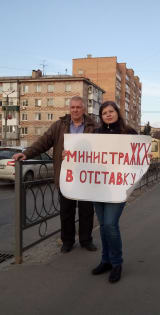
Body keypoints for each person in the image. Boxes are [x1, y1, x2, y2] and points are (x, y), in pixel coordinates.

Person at [12, 96, 97, 253]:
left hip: (86, 176)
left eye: (78, 107)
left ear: (83, 109)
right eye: (73, 107)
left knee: (86, 211)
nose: (75, 110)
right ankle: (68, 241)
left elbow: (106, 147)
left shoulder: (93, 126)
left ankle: (86, 240)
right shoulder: (60, 125)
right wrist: (26, 154)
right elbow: (44, 141)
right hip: (66, 176)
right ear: (69, 109)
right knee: (66, 211)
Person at [91, 101, 137, 284]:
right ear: (101, 117)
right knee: (103, 226)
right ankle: (106, 260)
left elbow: (138, 156)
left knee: (110, 224)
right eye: (104, 113)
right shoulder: (96, 134)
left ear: (117, 113)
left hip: (118, 187)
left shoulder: (129, 133)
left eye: (111, 111)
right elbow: (87, 155)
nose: (108, 115)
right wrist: (70, 154)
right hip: (98, 187)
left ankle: (117, 263)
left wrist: (144, 156)